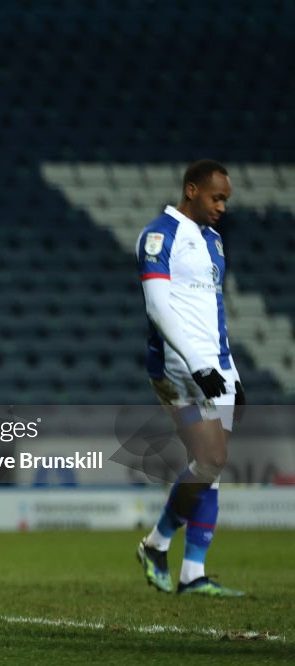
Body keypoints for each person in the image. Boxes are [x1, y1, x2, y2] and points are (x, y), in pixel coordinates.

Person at [134, 159, 244, 597]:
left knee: (210, 469)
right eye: (217, 197)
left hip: (217, 366)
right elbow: (159, 308)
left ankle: (192, 572)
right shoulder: (160, 235)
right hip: (178, 370)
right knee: (211, 458)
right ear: (192, 190)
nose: (222, 206)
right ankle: (156, 545)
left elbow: (211, 313)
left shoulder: (214, 241)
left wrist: (227, 369)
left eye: (226, 200)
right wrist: (199, 364)